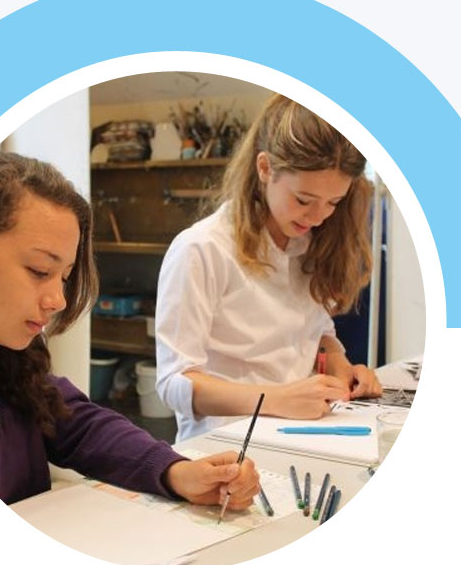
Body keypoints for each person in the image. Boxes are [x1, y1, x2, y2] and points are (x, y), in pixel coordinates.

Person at [0, 151, 259, 508]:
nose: (58, 300)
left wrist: (175, 471)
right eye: (40, 271)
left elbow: (78, 425)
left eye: (64, 277)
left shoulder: (1, 354)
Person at [155, 94, 383, 442]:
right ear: (265, 169)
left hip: (305, 432)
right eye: (304, 200)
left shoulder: (310, 242)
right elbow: (174, 383)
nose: (319, 216)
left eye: (334, 202)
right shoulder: (201, 249)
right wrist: (276, 399)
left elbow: (316, 328)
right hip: (222, 445)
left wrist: (339, 363)